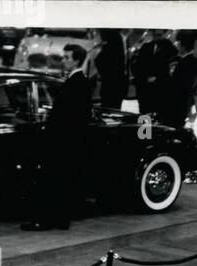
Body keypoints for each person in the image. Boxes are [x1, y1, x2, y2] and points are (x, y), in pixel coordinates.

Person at [22, 44, 92, 231]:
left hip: (63, 141)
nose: (63, 60)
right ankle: (60, 219)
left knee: (54, 180)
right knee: (61, 181)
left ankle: (47, 220)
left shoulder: (77, 83)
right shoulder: (76, 81)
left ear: (76, 60)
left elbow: (73, 117)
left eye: (67, 57)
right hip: (67, 141)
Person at [131, 29, 176, 118]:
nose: (157, 37)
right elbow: (138, 66)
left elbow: (170, 70)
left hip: (160, 90)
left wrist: (157, 78)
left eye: (159, 35)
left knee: (160, 117)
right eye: (155, 35)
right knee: (144, 117)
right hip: (145, 90)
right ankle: (145, 132)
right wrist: (144, 78)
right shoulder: (146, 47)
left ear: (164, 34)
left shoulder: (170, 49)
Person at [163, 30, 197, 129]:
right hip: (178, 103)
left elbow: (185, 85)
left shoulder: (189, 63)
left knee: (173, 128)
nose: (176, 45)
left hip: (178, 104)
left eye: (178, 43)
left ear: (182, 45)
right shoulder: (191, 62)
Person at [91, 29, 127, 110]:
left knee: (108, 108)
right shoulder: (118, 45)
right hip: (117, 85)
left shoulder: (109, 49)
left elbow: (99, 60)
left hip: (109, 85)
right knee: (114, 109)